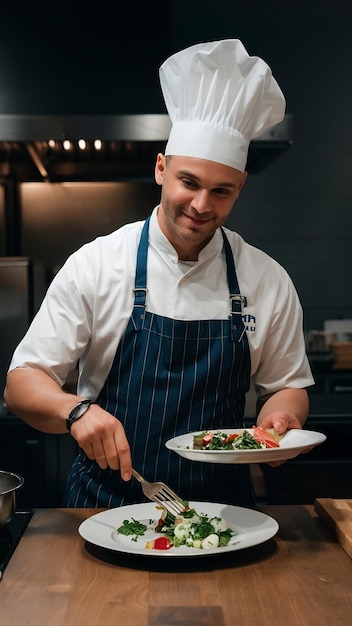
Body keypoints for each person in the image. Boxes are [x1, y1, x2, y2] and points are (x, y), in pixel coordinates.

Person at [4, 39, 314, 508]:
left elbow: (287, 385)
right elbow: (23, 382)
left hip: (225, 515)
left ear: (241, 187)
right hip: (106, 504)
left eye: (222, 191)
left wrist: (281, 420)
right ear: (161, 168)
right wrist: (75, 411)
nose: (202, 206)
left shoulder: (267, 279)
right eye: (188, 182)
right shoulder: (98, 263)